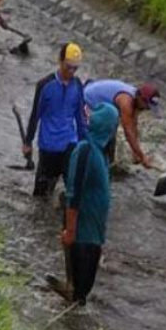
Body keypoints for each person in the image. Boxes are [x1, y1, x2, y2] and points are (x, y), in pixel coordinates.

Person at [47, 102, 119, 304]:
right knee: (80, 293)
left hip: (94, 234)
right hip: (81, 233)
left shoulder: (101, 153)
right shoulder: (85, 150)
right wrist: (70, 231)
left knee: (82, 290)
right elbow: (73, 193)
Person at [23, 43, 87, 197]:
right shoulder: (45, 85)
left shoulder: (78, 85)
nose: (71, 72)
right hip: (48, 146)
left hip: (70, 145)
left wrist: (86, 143)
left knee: (72, 193)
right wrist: (27, 142)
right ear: (60, 60)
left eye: (75, 68)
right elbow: (35, 115)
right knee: (40, 195)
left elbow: (80, 117)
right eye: (68, 67)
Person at [83, 79, 161, 167]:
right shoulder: (126, 101)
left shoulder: (136, 101)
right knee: (103, 130)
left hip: (100, 100)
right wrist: (142, 157)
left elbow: (134, 126)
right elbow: (128, 132)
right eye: (147, 106)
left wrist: (136, 152)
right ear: (140, 98)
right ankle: (93, 160)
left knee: (112, 127)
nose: (147, 109)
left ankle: (108, 162)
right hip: (87, 100)